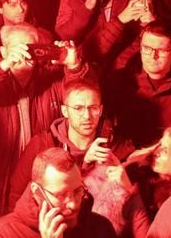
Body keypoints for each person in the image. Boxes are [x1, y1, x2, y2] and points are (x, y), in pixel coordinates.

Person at [0, 24, 86, 220]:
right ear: (4, 51)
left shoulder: (49, 80)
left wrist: (73, 66)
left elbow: (81, 96)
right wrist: (4, 64)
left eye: (31, 48)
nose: (26, 54)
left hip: (40, 181)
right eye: (19, 48)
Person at [8, 78, 146, 236]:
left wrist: (127, 187)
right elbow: (16, 198)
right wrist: (83, 163)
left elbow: (134, 214)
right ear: (65, 111)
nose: (86, 116)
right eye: (78, 108)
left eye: (93, 108)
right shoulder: (42, 145)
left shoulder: (118, 149)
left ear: (100, 110)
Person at [104, 22, 171, 147]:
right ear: (140, 48)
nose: (153, 56)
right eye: (147, 48)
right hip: (125, 162)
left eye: (161, 50)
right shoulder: (119, 82)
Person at [0, 147, 116, 238]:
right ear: (37, 191)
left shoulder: (101, 228)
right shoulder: (4, 233)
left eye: (77, 191)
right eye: (61, 195)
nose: (72, 204)